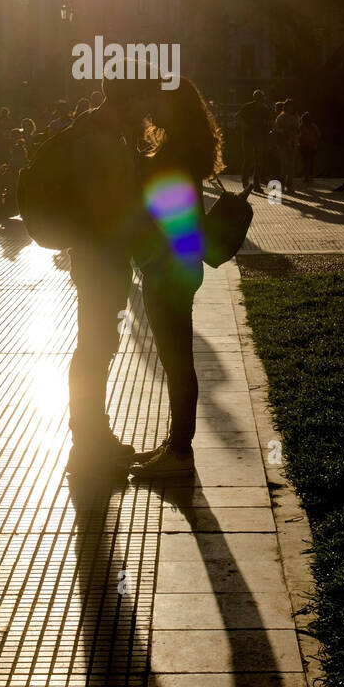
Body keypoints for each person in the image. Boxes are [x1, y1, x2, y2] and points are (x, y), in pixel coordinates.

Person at [131, 79, 223, 479]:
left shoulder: (171, 156)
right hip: (181, 264)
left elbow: (167, 212)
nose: (151, 105)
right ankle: (175, 443)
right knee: (176, 359)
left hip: (168, 266)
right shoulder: (185, 151)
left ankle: (180, 452)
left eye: (157, 100)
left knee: (176, 361)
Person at [65, 76, 150, 474]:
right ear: (128, 98)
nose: (145, 109)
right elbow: (105, 202)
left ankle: (90, 433)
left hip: (99, 256)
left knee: (96, 344)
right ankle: (89, 438)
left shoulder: (99, 129)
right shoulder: (100, 137)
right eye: (141, 99)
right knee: (95, 345)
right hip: (99, 257)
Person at [236, 89, 271, 192]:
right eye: (258, 97)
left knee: (257, 160)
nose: (260, 99)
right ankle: (247, 182)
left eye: (261, 97)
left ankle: (255, 184)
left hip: (258, 136)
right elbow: (238, 117)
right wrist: (245, 126)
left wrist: (267, 125)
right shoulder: (248, 107)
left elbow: (269, 121)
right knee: (249, 159)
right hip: (249, 136)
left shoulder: (265, 108)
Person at [274, 99, 299, 194]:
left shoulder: (296, 117)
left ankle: (290, 186)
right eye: (289, 106)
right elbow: (276, 129)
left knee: (291, 166)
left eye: (292, 106)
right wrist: (285, 130)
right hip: (283, 144)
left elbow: (298, 130)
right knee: (283, 165)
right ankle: (282, 186)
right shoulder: (281, 117)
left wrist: (296, 131)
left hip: (293, 143)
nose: (290, 108)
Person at [298, 111, 320, 186]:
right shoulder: (303, 126)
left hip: (309, 146)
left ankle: (308, 176)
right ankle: (308, 176)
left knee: (308, 162)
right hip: (306, 146)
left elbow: (318, 135)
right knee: (308, 162)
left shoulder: (310, 126)